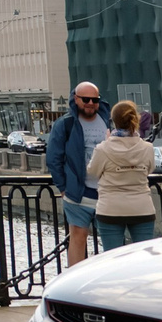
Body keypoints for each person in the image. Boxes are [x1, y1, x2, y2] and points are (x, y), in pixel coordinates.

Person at [45, 82, 110, 265]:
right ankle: (75, 285)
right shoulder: (66, 123)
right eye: (86, 99)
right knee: (78, 238)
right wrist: (64, 188)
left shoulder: (107, 121)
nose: (90, 103)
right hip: (77, 194)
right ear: (76, 99)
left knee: (111, 241)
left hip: (106, 192)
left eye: (95, 99)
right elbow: (53, 158)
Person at [88, 100, 159, 252]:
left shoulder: (103, 148)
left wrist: (107, 142)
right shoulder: (147, 148)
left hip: (110, 208)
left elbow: (92, 172)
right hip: (142, 208)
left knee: (112, 257)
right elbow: (150, 169)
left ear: (113, 122)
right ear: (135, 120)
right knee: (144, 256)